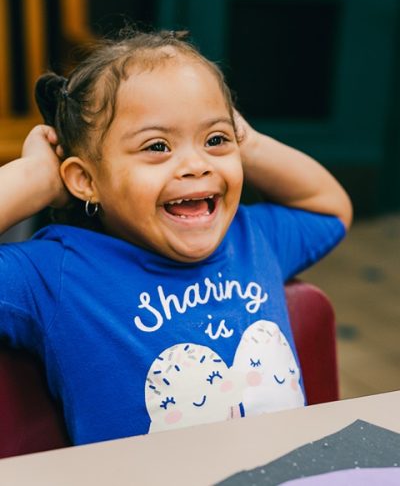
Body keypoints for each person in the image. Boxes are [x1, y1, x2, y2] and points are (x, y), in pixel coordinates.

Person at [0, 29, 352, 445]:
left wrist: (250, 144)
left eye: (216, 139)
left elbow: (330, 207)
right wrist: (34, 178)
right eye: (157, 146)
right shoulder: (53, 274)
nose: (195, 164)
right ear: (85, 179)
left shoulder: (253, 237)